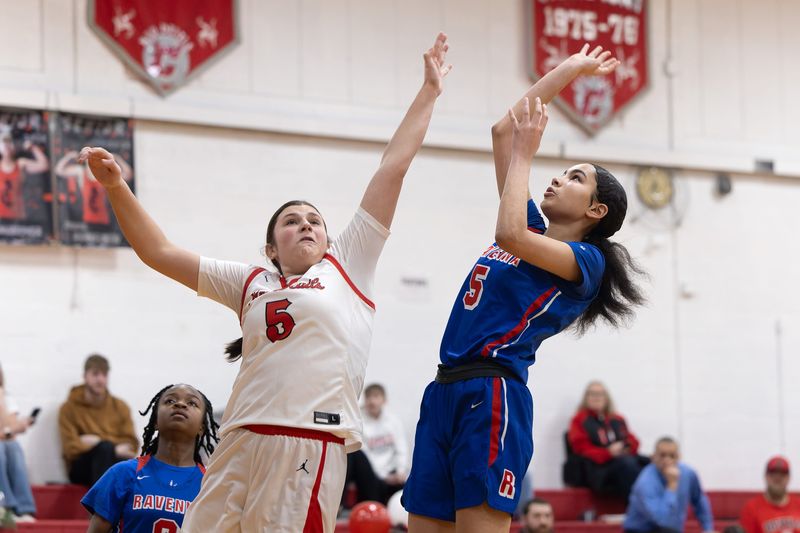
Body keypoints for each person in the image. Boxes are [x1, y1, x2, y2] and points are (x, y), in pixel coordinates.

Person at [78, 32, 451, 532]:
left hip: (306, 439)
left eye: (314, 219)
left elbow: (393, 166)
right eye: (292, 220)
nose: (306, 224)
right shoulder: (251, 279)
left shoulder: (347, 264)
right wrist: (115, 187)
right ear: (271, 247)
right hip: (237, 438)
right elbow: (158, 252)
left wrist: (428, 92)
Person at [403, 45, 645, 533]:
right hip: (444, 389)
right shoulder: (535, 230)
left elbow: (508, 234)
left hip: (493, 393)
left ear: (595, 212)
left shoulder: (586, 262)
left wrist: (526, 155)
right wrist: (570, 70)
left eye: (575, 178)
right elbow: (503, 130)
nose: (558, 178)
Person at [82, 384, 219, 533]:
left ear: (202, 427)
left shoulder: (211, 484)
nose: (180, 404)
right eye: (170, 401)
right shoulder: (122, 473)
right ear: (155, 421)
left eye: (192, 403)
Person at [58, 354, 139, 486]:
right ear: (85, 376)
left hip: (114, 461)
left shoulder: (120, 406)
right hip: (81, 468)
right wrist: (112, 448)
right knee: (104, 450)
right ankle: (101, 504)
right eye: (95, 374)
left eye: (104, 374)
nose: (100, 379)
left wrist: (98, 441)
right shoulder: (68, 408)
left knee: (112, 453)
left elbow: (131, 445)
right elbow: (70, 448)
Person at [567, 380, 647, 500]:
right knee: (627, 465)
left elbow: (633, 441)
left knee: (649, 463)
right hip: (598, 468)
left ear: (606, 397)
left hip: (622, 460)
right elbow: (581, 448)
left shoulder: (617, 419)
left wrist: (625, 447)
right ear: (586, 397)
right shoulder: (579, 420)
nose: (596, 397)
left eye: (600, 394)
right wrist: (608, 453)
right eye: (592, 394)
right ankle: (638, 505)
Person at [623, 437, 715, 533]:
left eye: (672, 456)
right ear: (653, 457)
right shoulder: (645, 482)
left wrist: (708, 529)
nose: (667, 460)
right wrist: (672, 485)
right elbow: (662, 521)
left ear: (679, 457)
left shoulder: (688, 473)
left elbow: (699, 499)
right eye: (662, 455)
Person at [345, 383, 409, 505]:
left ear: (384, 400)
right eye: (368, 397)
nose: (372, 401)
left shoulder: (393, 422)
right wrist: (384, 477)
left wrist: (400, 472)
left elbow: (401, 449)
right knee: (354, 453)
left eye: (376, 396)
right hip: (372, 475)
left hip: (391, 473)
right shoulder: (359, 422)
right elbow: (365, 456)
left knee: (408, 485)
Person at [0, 363, 36, 523]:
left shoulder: (6, 397)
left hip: (5, 441)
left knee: (13, 448)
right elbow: (9, 430)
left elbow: (10, 432)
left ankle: (22, 509)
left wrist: (1, 399)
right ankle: (5, 508)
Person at [739, 456, 800, 533]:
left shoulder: (798, 505)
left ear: (788, 478)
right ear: (766, 476)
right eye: (773, 473)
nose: (777, 478)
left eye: (782, 474)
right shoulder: (751, 509)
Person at [0, 131, 49, 221]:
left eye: (9, 142)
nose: (6, 146)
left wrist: (32, 147)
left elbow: (44, 165)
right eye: (4, 143)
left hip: (18, 220)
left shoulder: (20, 164)